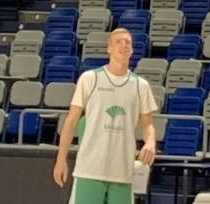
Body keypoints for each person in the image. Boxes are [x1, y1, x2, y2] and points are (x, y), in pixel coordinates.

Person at [53, 28, 159, 204]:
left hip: (122, 173)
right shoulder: (90, 79)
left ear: (132, 50)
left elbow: (148, 124)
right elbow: (71, 122)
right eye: (118, 41)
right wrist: (61, 159)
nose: (123, 45)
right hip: (89, 170)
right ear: (108, 48)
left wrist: (150, 142)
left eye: (128, 42)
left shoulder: (141, 86)